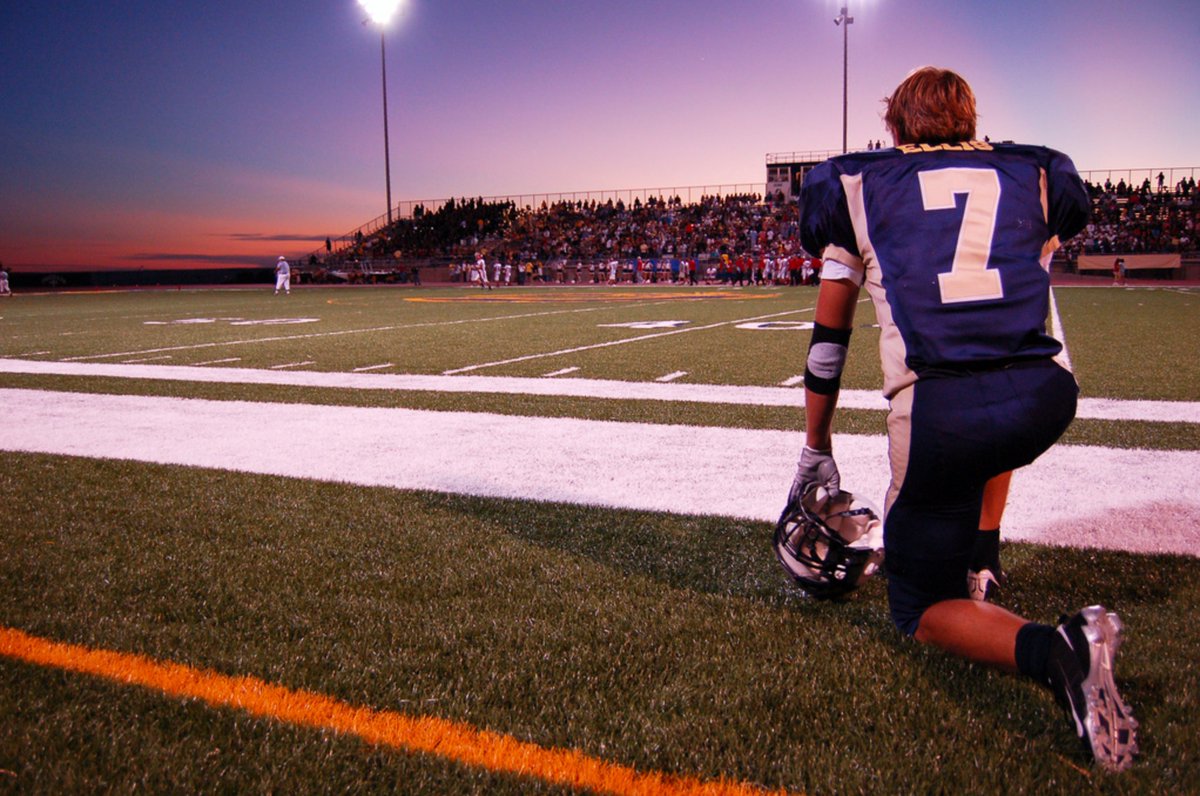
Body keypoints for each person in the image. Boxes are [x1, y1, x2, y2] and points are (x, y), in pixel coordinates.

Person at [791, 66, 1137, 771]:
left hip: (943, 409)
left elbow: (829, 346)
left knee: (918, 607)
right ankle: (984, 549)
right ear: (971, 122)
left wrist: (816, 446)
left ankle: (1056, 651)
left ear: (893, 129)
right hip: (1045, 395)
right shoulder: (1036, 173)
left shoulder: (855, 184)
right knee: (996, 379)